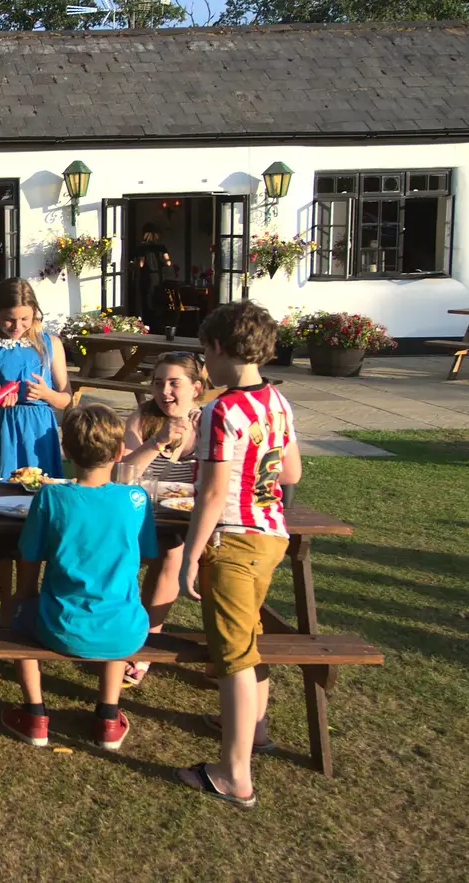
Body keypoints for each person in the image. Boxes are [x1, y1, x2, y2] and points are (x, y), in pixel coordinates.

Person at [177, 301, 301, 809]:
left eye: (206, 353)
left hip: (232, 540)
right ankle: (256, 730)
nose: (205, 365)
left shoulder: (222, 410)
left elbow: (210, 493)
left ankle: (234, 774)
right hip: (271, 534)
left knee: (232, 658)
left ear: (221, 349)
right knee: (248, 637)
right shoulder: (278, 402)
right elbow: (290, 472)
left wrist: (190, 554)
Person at [2, 405, 158, 752]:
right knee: (117, 610)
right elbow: (148, 554)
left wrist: (23, 598)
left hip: (59, 625)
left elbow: (29, 557)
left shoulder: (51, 496)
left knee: (16, 618)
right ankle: (108, 715)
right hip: (126, 629)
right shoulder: (135, 499)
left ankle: (35, 713)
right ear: (119, 453)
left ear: (65, 450)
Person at [0, 277, 72, 625]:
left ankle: (28, 594)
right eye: (9, 319)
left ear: (35, 315)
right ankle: (5, 599)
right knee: (1, 517)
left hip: (40, 437)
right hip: (3, 437)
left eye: (25, 319)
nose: (17, 326)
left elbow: (66, 398)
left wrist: (47, 396)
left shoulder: (50, 344)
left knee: (40, 516)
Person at [117, 352, 208, 687]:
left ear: (196, 388)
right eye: (158, 383)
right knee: (161, 549)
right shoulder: (142, 417)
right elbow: (124, 474)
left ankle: (146, 642)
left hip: (192, 515)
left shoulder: (209, 420)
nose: (165, 391)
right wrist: (159, 441)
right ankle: (128, 633)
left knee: (174, 552)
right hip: (144, 511)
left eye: (174, 383)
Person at [133, 225, 173, 331]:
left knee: (147, 301)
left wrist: (134, 265)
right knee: (158, 301)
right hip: (159, 277)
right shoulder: (161, 247)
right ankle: (159, 324)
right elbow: (168, 262)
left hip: (147, 277)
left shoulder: (142, 247)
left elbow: (141, 264)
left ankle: (148, 324)